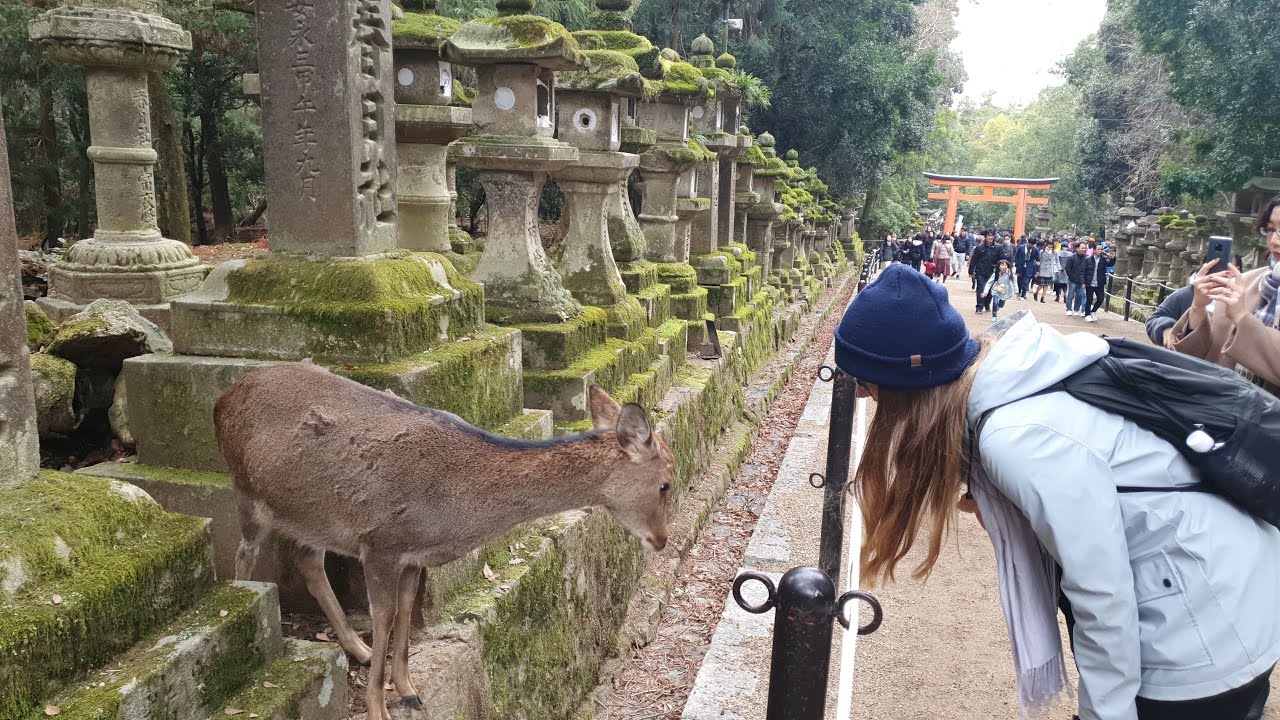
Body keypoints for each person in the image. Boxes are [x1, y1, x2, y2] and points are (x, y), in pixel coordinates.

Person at [831, 264, 1280, 720]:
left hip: (1201, 626)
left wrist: (1105, 714)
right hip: (1220, 584)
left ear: (907, 385)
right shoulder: (1017, 371)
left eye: (865, 382)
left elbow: (1101, 592)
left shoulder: (1019, 438)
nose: (863, 397)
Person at [1170, 194, 1280, 395]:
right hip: (1222, 407)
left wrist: (1242, 318)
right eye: (1271, 229)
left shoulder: (1239, 297)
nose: (1274, 241)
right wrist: (1198, 307)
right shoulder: (1244, 284)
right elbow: (1197, 360)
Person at [970, 231, 1004, 312]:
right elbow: (974, 259)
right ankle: (979, 307)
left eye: (992, 235)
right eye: (988, 235)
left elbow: (1002, 260)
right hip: (981, 271)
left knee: (990, 290)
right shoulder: (979, 247)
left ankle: (987, 304)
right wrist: (971, 270)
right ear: (985, 236)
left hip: (993, 272)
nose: (990, 237)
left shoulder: (998, 247)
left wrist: (1001, 270)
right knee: (981, 289)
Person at [1083, 245, 1116, 322]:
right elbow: (1083, 271)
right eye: (1098, 249)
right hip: (1090, 282)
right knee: (1089, 299)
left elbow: (1110, 264)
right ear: (1094, 250)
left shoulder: (1103, 259)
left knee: (1100, 298)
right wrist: (1083, 281)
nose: (1100, 251)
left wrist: (1113, 258)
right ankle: (1087, 315)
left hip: (1099, 282)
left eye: (1101, 249)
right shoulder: (1087, 259)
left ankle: (1093, 311)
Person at [1063, 241, 1089, 316]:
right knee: (1070, 295)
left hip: (1082, 281)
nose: (1084, 249)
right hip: (1072, 280)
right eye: (1082, 248)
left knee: (1080, 295)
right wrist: (1073, 277)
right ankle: (1069, 309)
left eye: (1085, 248)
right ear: (1077, 248)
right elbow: (1068, 269)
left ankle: (1076, 309)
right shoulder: (1072, 258)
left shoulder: (1087, 258)